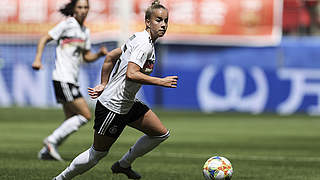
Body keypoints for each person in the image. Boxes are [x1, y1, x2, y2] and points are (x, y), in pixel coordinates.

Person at [53, 0, 178, 179]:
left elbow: (111, 57)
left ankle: (123, 164)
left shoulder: (139, 38)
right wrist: (161, 81)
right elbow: (131, 74)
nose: (164, 25)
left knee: (160, 134)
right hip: (114, 106)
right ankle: (60, 178)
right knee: (97, 154)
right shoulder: (143, 44)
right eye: (159, 20)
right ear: (148, 22)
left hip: (127, 102)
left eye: (166, 20)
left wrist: (104, 84)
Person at [32, 0, 108, 161]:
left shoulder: (85, 31)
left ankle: (47, 151)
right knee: (85, 115)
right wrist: (38, 59)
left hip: (71, 80)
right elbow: (44, 38)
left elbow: (87, 57)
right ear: (74, 9)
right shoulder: (67, 24)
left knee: (71, 119)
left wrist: (99, 55)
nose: (83, 10)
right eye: (80, 7)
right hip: (63, 77)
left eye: (86, 7)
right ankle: (51, 141)